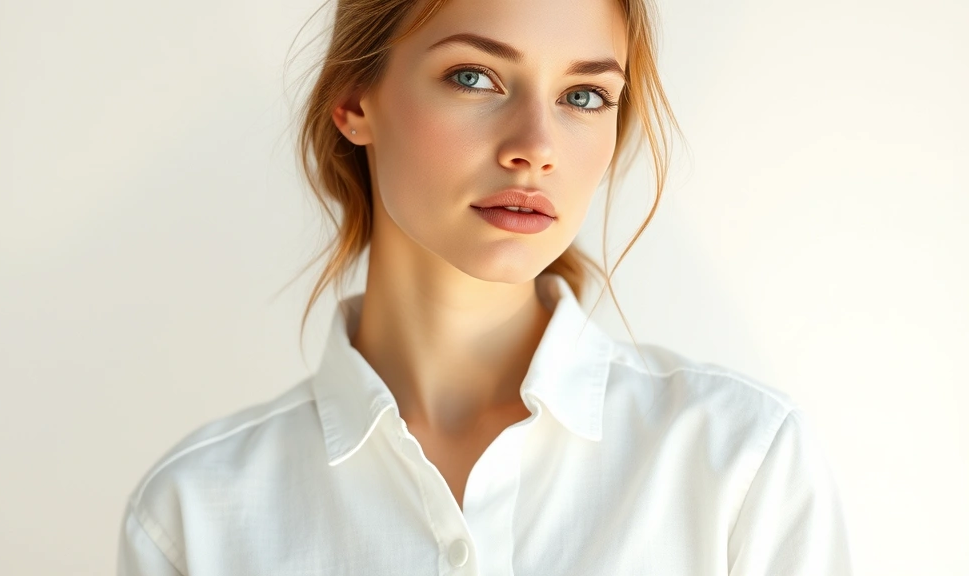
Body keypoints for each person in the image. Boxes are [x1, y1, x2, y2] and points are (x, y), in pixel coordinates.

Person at [117, 0, 853, 573]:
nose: (535, 147)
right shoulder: (195, 517)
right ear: (354, 99)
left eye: (586, 95)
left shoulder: (741, 463)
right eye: (475, 77)